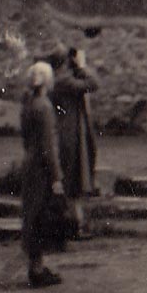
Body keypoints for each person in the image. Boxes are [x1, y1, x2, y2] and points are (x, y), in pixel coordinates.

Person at [46, 43, 99, 235]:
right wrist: (81, 66)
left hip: (66, 132)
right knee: (72, 179)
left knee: (70, 180)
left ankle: (75, 223)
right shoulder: (64, 80)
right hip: (69, 135)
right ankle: (72, 224)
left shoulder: (57, 78)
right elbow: (93, 84)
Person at [20, 61, 65, 288]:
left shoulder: (27, 103)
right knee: (39, 216)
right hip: (41, 168)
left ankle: (35, 265)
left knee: (32, 214)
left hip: (29, 163)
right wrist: (57, 177)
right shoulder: (45, 106)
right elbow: (49, 146)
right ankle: (37, 270)